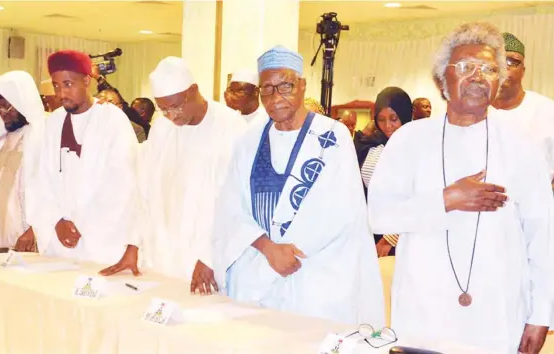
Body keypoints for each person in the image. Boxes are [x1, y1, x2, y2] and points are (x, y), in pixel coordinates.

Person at [368, 22, 553, 353]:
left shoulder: (521, 147)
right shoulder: (410, 140)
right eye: (467, 67)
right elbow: (379, 216)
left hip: (498, 316)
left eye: (489, 69)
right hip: (423, 314)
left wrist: (541, 315)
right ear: (442, 79)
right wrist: (446, 199)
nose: (479, 77)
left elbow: (543, 238)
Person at [212, 46, 384, 326]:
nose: (276, 97)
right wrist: (268, 249)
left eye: (285, 86)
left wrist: (287, 254)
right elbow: (231, 206)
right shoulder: (248, 141)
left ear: (303, 86)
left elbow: (342, 209)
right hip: (259, 268)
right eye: (267, 89)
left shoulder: (332, 135)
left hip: (315, 274)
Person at [100, 57, 247, 295]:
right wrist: (133, 244)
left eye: (175, 107)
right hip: (163, 250)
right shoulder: (162, 128)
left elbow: (234, 200)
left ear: (193, 91)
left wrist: (209, 256)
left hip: (206, 255)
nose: (171, 116)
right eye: (163, 109)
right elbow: (144, 190)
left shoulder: (230, 127)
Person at [31, 50, 139, 265]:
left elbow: (122, 184)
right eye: (56, 85)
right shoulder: (53, 123)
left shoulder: (112, 120)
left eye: (68, 84)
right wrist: (56, 219)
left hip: (100, 240)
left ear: (87, 81)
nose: (61, 93)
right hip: (59, 240)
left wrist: (83, 224)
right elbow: (41, 179)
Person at [0, 71, 45, 251]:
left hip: (28, 238)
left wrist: (35, 229)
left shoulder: (42, 138)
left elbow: (51, 190)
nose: (2, 114)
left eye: (7, 107)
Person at [355, 87, 412, 257]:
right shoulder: (372, 144)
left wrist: (390, 238)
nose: (387, 126)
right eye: (381, 119)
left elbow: (419, 199)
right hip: (368, 231)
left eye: (394, 118)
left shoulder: (415, 148)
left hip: (400, 236)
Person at [492, 32, 554, 187]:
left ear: (523, 71)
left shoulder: (546, 110)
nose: (504, 67)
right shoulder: (472, 111)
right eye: (497, 61)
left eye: (512, 61)